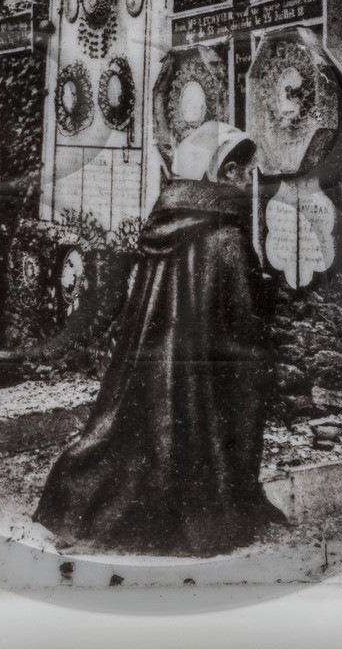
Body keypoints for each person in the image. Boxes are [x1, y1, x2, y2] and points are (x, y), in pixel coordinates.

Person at [34, 121, 282, 556]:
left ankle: (80, 505)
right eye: (241, 170)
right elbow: (242, 324)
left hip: (153, 359)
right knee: (206, 436)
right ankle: (207, 519)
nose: (248, 179)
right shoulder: (226, 237)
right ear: (221, 174)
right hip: (203, 366)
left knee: (128, 435)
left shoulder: (164, 225)